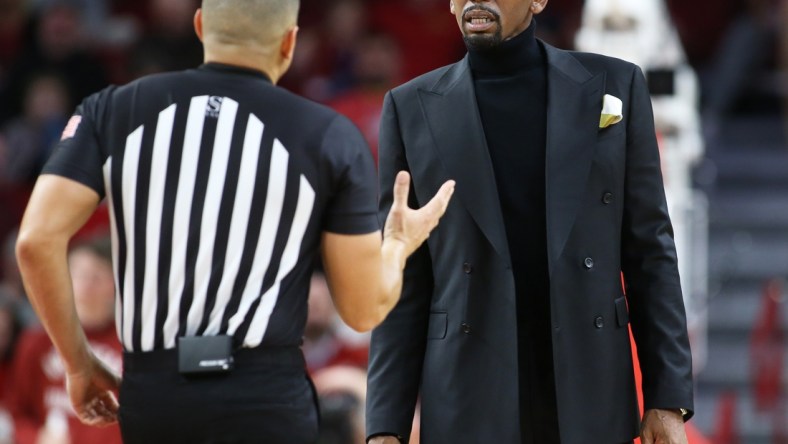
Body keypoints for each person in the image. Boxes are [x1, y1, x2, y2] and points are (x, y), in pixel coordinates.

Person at [14, 0, 454, 443]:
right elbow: (362, 310)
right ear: (289, 42)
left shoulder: (110, 110)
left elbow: (34, 241)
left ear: (201, 25)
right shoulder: (328, 134)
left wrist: (78, 362)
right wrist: (397, 244)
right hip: (265, 396)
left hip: (155, 392)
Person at [365, 1, 694, 444]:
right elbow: (403, 282)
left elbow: (650, 253)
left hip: (590, 390)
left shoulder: (617, 84)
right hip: (467, 394)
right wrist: (385, 427)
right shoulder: (408, 108)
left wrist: (667, 397)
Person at [8, 237, 122, 444]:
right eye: (78, 275)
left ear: (113, 283)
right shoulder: (36, 342)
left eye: (96, 277)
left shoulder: (128, 344)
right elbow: (17, 412)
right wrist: (36, 438)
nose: (85, 286)